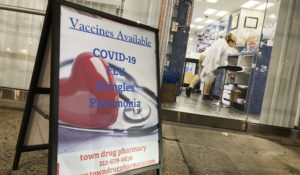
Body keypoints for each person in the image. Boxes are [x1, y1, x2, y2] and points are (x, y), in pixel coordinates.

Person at [186, 33, 237, 100]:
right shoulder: (225, 46)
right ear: (230, 42)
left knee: (200, 74)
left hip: (202, 56)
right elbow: (223, 60)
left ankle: (190, 87)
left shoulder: (220, 40)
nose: (234, 45)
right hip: (208, 59)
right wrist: (229, 72)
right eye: (234, 43)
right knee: (210, 75)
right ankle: (206, 95)